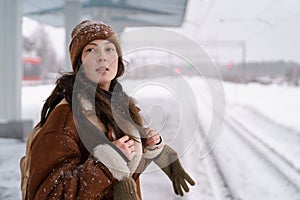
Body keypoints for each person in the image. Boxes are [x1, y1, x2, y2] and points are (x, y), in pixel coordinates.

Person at [20, 20, 195, 200]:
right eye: (91, 50)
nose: (102, 56)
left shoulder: (120, 108)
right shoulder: (66, 117)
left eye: (109, 49)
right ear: (79, 62)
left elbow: (120, 177)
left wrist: (148, 146)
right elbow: (50, 195)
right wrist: (107, 162)